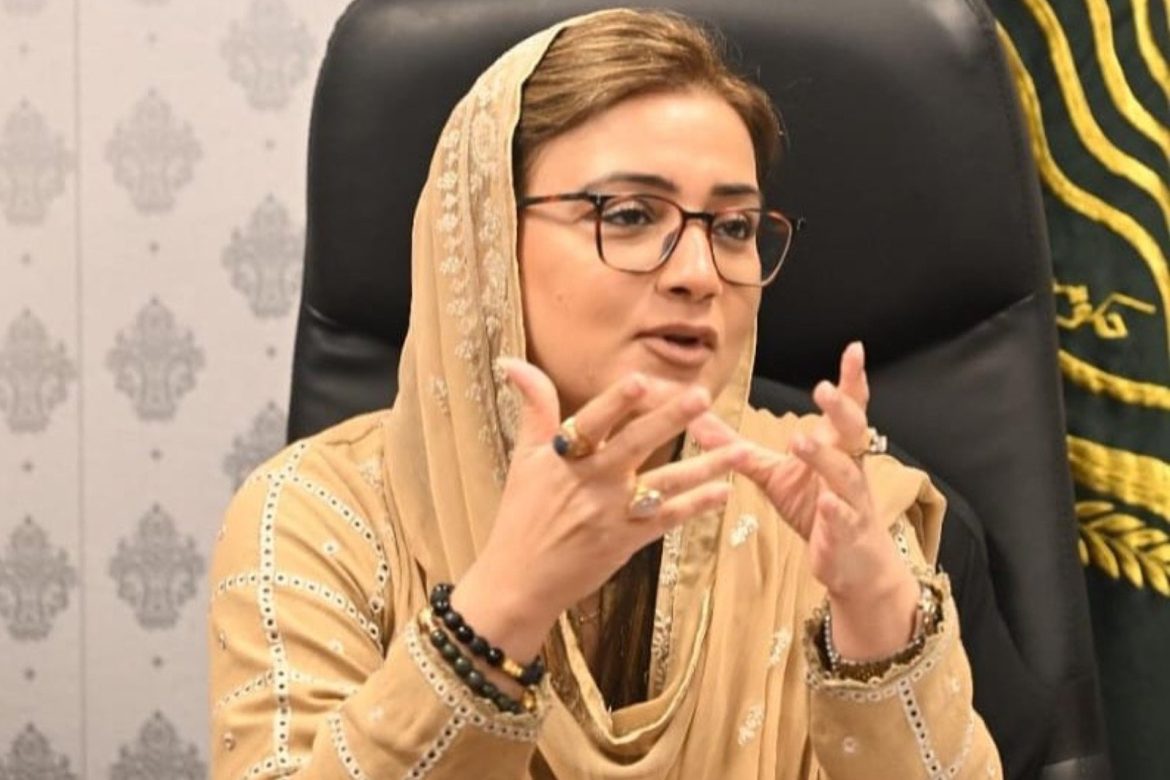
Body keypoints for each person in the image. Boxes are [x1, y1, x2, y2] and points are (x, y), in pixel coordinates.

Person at [209, 8, 1002, 778]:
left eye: (732, 227)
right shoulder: (320, 515)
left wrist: (874, 614)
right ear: (486, 240)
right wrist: (504, 601)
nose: (699, 274)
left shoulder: (837, 511)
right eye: (628, 214)